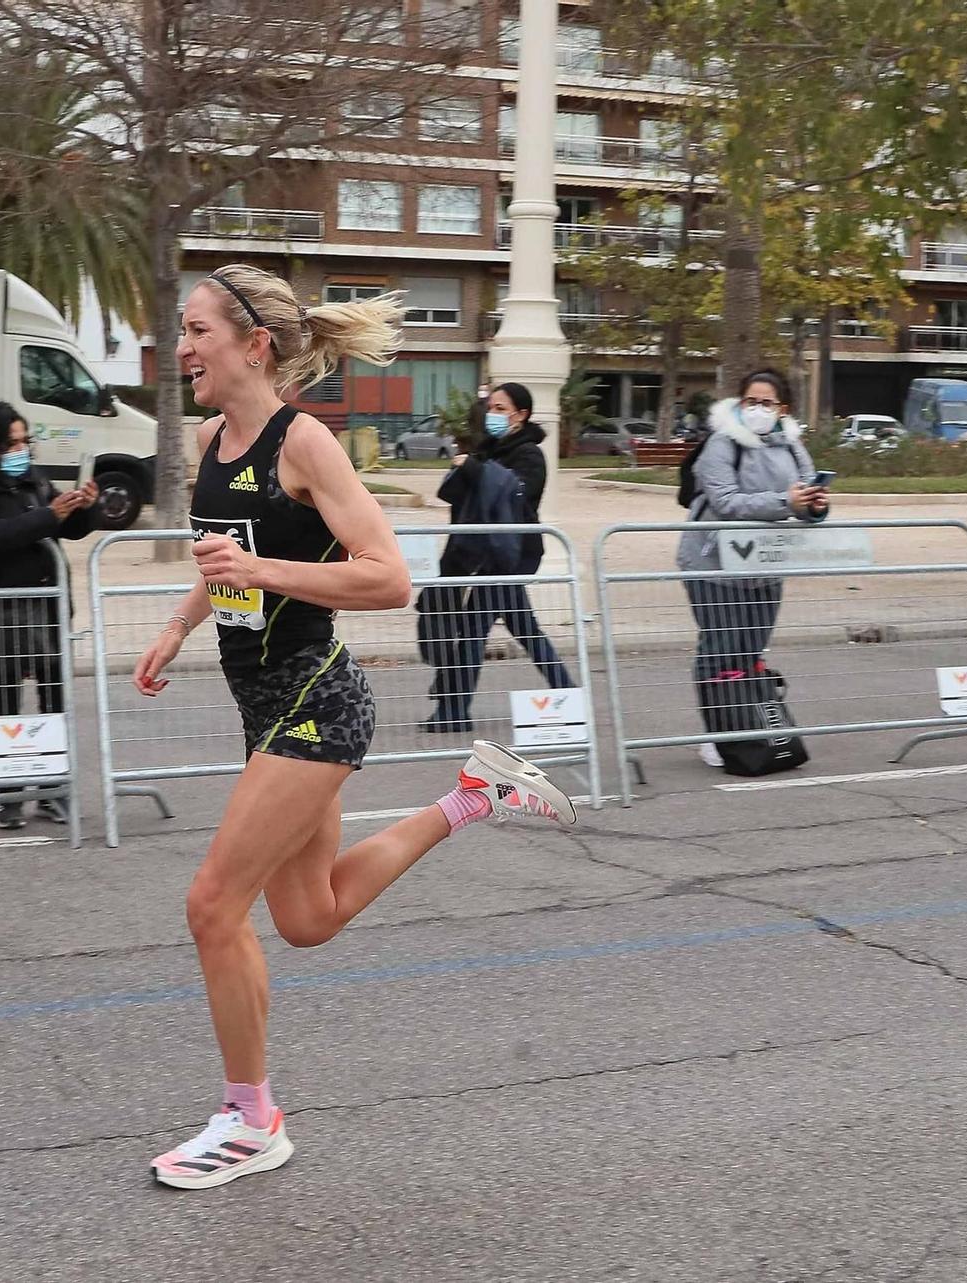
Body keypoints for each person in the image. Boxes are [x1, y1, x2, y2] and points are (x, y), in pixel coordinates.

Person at [131, 264, 576, 1190]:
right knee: (309, 918)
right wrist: (178, 626)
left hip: (317, 698)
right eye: (181, 329)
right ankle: (473, 796)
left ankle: (250, 1118)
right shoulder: (212, 438)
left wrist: (266, 569)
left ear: (254, 344)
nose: (182, 348)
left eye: (198, 329)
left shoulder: (306, 446)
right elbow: (224, 565)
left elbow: (387, 576)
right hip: (264, 702)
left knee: (214, 904)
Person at [0, 401, 99, 829]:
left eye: (25, 441)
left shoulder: (33, 481)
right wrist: (50, 515)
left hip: (47, 606)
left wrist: (84, 507)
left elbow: (68, 528)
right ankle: (9, 796)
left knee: (54, 696)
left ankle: (53, 793)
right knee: (6, 697)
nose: (22, 449)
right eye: (13, 443)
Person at [677, 369, 827, 768]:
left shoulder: (792, 445)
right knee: (720, 647)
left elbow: (805, 494)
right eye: (751, 401)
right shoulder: (723, 443)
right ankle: (716, 734)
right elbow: (726, 501)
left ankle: (742, 726)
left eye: (768, 403)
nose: (758, 409)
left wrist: (815, 506)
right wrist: (785, 502)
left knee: (750, 650)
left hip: (765, 564)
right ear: (739, 403)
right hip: (713, 562)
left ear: (783, 409)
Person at [422, 382, 574, 731]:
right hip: (486, 554)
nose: (493, 414)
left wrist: (473, 469)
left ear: (521, 415)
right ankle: (567, 695)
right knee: (526, 630)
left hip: (509, 556)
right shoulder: (490, 450)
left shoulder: (529, 454)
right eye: (491, 407)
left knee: (475, 629)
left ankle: (453, 712)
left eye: (501, 409)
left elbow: (516, 494)